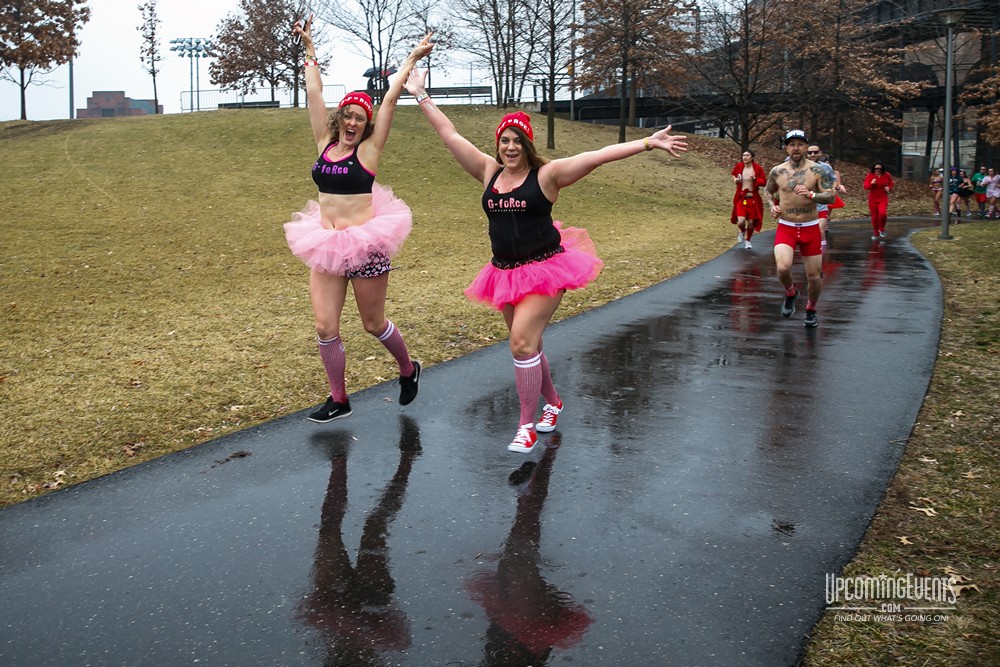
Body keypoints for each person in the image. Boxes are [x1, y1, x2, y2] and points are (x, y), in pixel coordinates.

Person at [404, 65, 688, 453]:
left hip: (546, 269)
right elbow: (449, 133)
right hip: (504, 272)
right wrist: (420, 94)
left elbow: (596, 156)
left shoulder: (547, 176)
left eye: (517, 141)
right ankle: (553, 402)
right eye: (505, 140)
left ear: (528, 144)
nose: (510, 147)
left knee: (521, 343)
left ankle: (526, 426)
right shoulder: (488, 171)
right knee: (530, 346)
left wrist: (647, 143)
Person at [285, 16, 432, 423]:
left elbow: (390, 101)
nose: (352, 122)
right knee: (324, 326)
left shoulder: (368, 152)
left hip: (365, 245)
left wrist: (411, 59)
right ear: (340, 119)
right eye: (348, 115)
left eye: (359, 118)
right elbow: (314, 93)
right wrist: (310, 49)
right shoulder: (324, 142)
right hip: (326, 244)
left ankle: (408, 369)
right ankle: (339, 399)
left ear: (366, 125)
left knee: (372, 323)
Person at [765, 129, 836, 328]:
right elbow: (768, 191)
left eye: (800, 144)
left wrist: (811, 195)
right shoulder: (777, 171)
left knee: (814, 277)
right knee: (782, 267)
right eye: (791, 144)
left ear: (806, 147)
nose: (795, 148)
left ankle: (811, 308)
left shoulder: (817, 170)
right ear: (786, 148)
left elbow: (831, 196)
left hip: (810, 227)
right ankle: (791, 292)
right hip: (786, 227)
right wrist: (773, 206)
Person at [730, 150, 766, 249]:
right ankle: (742, 230)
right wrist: (735, 179)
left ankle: (748, 240)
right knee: (741, 221)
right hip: (741, 198)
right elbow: (734, 175)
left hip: (753, 199)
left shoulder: (757, 168)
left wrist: (755, 179)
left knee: (751, 222)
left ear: (752, 157)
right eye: (743, 155)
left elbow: (764, 182)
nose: (745, 157)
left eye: (747, 155)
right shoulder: (739, 166)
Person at [862, 162, 894, 240]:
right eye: (876, 169)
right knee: (874, 217)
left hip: (883, 198)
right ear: (874, 169)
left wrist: (889, 188)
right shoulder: (870, 175)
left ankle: (881, 228)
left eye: (880, 169)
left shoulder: (886, 175)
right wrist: (871, 183)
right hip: (873, 199)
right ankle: (876, 233)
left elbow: (891, 183)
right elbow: (865, 186)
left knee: (882, 214)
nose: (878, 170)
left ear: (882, 169)